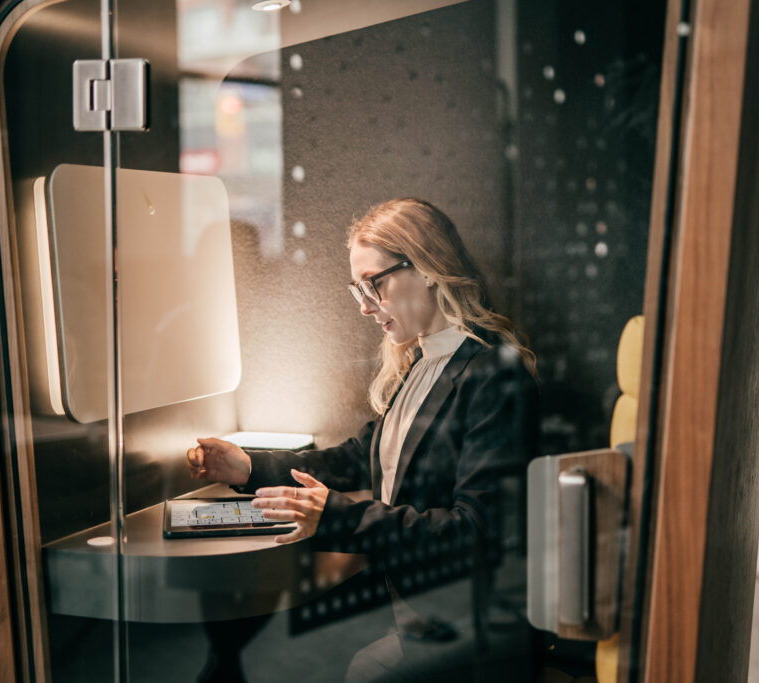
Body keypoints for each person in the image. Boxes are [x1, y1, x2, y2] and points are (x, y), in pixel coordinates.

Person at [186, 197, 539, 681]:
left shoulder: (494, 373)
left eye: (374, 284)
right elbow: (360, 456)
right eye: (358, 289)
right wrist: (247, 467)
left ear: (428, 268)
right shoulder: (423, 361)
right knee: (248, 651)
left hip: (465, 619)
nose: (365, 307)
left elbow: (474, 532)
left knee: (275, 660)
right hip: (415, 601)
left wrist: (332, 514)